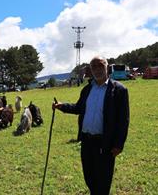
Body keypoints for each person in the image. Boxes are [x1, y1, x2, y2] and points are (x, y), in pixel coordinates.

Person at [52, 56, 129, 195]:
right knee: (89, 176)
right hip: (87, 141)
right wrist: (61, 106)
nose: (97, 69)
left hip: (105, 143)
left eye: (100, 65)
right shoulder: (87, 89)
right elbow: (79, 108)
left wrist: (119, 144)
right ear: (90, 70)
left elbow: (123, 120)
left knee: (103, 180)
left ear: (107, 67)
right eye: (94, 67)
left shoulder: (119, 90)